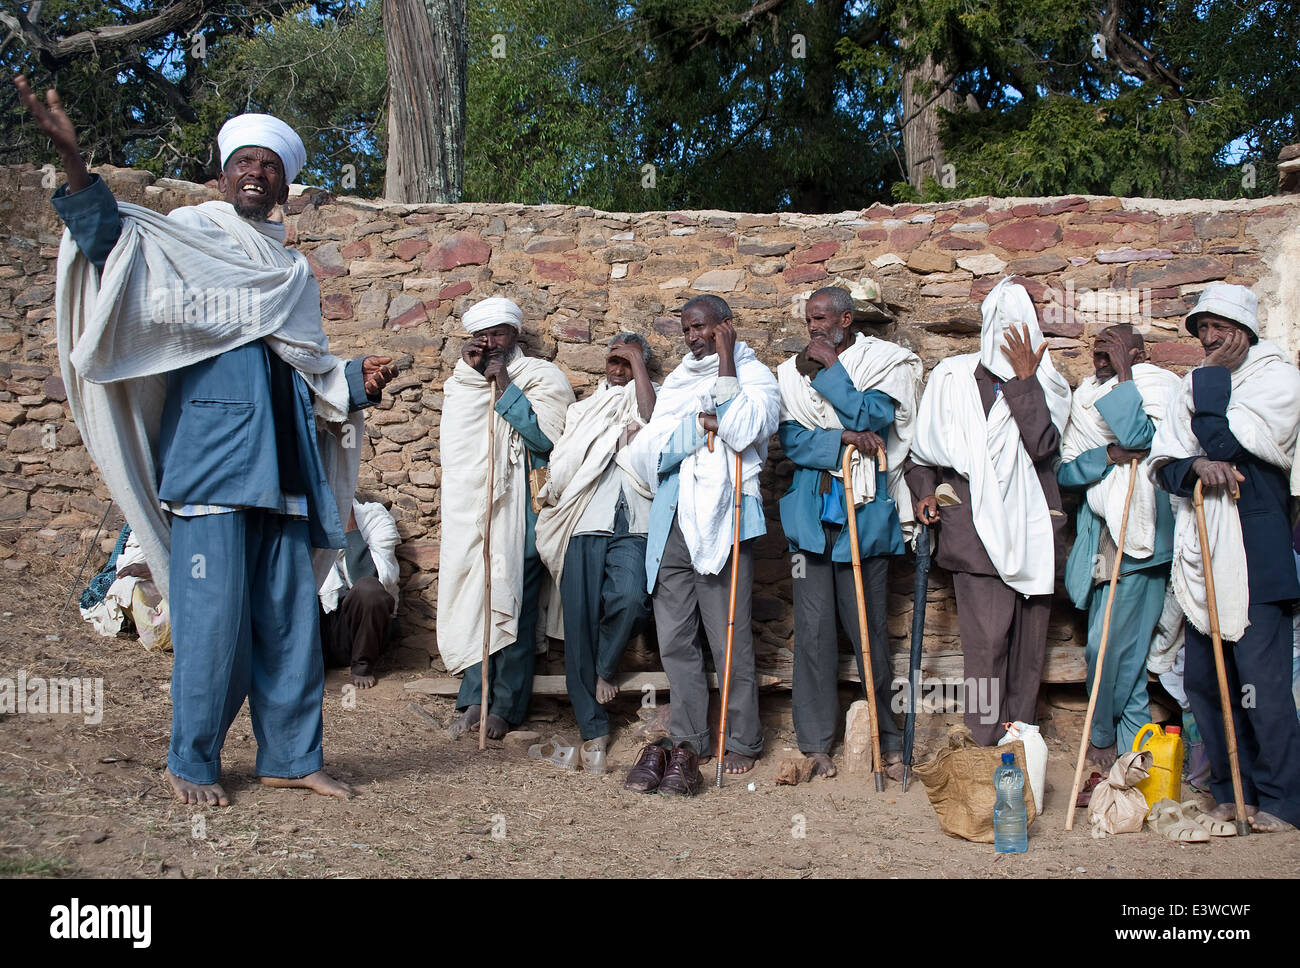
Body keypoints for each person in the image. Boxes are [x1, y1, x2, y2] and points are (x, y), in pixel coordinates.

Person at [18, 75, 400, 806]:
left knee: (290, 626)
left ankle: (290, 755)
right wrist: (75, 164)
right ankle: (191, 761)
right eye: (243, 163)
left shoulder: (290, 271)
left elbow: (303, 367)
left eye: (270, 166)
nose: (256, 174)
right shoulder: (188, 239)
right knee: (212, 629)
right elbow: (109, 246)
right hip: (212, 470)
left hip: (286, 473)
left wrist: (352, 382)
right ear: (221, 177)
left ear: (285, 185)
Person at [1150, 282, 1300, 833]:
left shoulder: (1277, 377)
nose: (1208, 340)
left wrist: (1211, 390)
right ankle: (1232, 792)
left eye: (1219, 328)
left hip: (1257, 549)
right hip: (1202, 551)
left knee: (1261, 684)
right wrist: (1191, 469)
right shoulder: (1187, 385)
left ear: (1246, 330)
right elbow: (1166, 463)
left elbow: (1229, 446)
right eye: (1201, 330)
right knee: (1207, 684)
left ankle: (1283, 799)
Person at [622, 295, 780, 794]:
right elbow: (651, 445)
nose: (692, 338)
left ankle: (742, 739)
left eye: (701, 329)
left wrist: (728, 363)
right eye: (686, 330)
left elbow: (747, 428)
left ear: (725, 327)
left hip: (723, 519)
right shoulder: (678, 384)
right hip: (671, 521)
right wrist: (698, 427)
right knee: (675, 638)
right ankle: (689, 738)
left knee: (728, 636)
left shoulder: (758, 377)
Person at [905, 278, 1071, 746]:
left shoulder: (1048, 382)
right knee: (987, 645)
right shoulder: (952, 378)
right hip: (973, 535)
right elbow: (922, 458)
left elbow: (1041, 447)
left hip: (1033, 532)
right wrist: (924, 494)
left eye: (1022, 328)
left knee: (1028, 650)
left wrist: (1024, 381)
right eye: (1003, 328)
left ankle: (1019, 742)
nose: (1012, 339)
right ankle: (982, 741)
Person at [776, 287, 922, 779]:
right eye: (809, 319)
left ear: (845, 318)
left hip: (864, 518)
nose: (814, 327)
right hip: (812, 520)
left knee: (869, 634)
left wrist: (832, 369)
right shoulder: (791, 373)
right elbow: (794, 441)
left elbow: (872, 416)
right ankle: (815, 743)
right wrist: (839, 436)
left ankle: (890, 743)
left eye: (821, 318)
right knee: (813, 635)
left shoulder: (885, 362)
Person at [440, 297, 574, 741]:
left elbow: (547, 440)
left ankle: (507, 705)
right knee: (476, 597)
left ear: (516, 335)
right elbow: (459, 453)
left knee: (515, 602)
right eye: (483, 335)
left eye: (499, 333)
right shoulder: (461, 384)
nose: (491, 343)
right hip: (475, 515)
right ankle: (474, 697)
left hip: (524, 515)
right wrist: (482, 382)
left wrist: (505, 390)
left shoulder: (540, 377)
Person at [1058, 325, 1181, 764]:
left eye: (1113, 352)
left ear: (1138, 354)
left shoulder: (1159, 386)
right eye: (1098, 351)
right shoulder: (1085, 399)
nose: (1102, 359)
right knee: (1117, 651)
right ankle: (1131, 756)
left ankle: (1104, 740)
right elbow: (1067, 473)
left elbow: (1139, 438)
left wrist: (1127, 375)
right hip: (1101, 538)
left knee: (1111, 650)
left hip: (1142, 540)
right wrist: (1106, 457)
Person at [534, 334, 657, 766]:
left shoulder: (651, 401)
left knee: (629, 597)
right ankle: (593, 729)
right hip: (585, 518)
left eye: (627, 363)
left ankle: (606, 668)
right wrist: (615, 441)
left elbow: (651, 422)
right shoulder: (583, 411)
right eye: (614, 361)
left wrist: (639, 366)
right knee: (580, 620)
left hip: (635, 520)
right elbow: (566, 461)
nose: (618, 369)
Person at [318, 498, 401, 688]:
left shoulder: (375, 518)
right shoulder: (305, 517)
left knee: (368, 589)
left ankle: (362, 665)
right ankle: (308, 664)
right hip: (319, 628)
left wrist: (350, 527)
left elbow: (375, 577)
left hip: (361, 630)